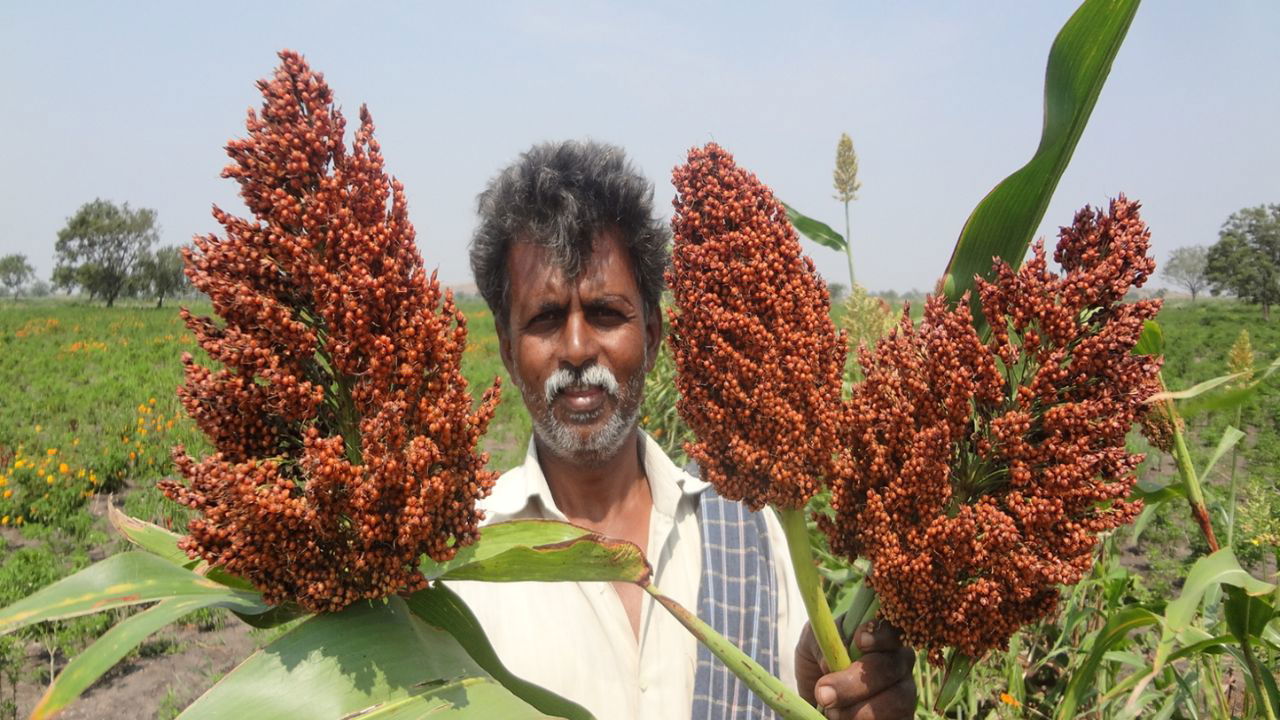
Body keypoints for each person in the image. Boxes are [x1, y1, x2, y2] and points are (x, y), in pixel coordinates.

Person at [449, 139, 915, 720]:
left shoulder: (753, 531)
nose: (576, 348)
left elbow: (826, 696)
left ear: (653, 334)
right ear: (509, 351)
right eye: (545, 319)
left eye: (605, 313)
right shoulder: (460, 559)